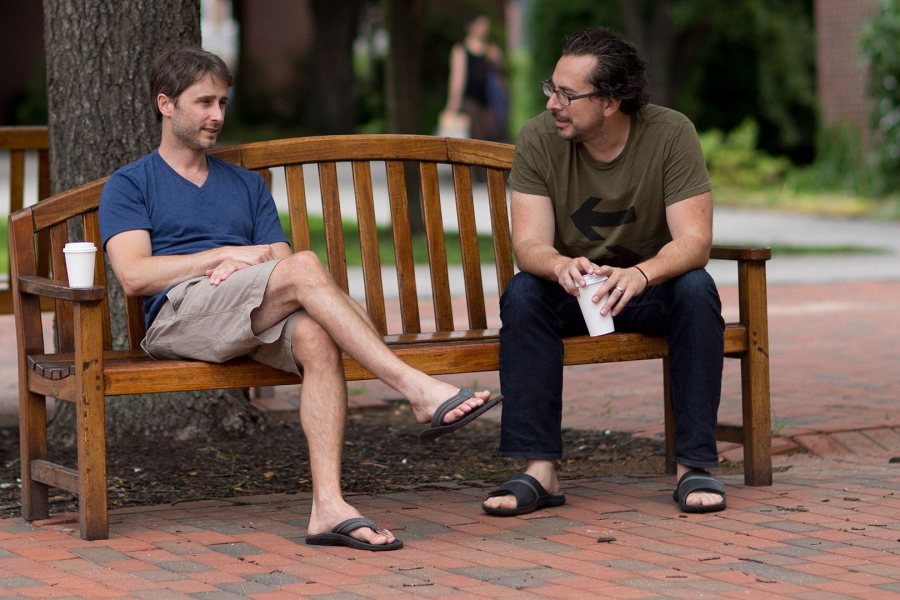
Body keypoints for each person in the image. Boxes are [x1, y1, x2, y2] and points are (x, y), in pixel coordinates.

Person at [99, 47, 501, 552]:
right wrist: (220, 256)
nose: (217, 116)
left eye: (223, 102)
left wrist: (249, 264)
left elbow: (282, 262)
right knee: (305, 269)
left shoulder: (244, 185)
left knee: (314, 335)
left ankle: (327, 508)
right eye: (204, 103)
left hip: (244, 311)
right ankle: (417, 390)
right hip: (180, 318)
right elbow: (134, 275)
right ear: (166, 104)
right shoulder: (132, 183)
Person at [481, 27, 727, 517]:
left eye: (569, 95)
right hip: (577, 291)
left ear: (611, 101)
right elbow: (528, 244)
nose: (554, 103)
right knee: (524, 293)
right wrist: (559, 265)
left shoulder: (670, 133)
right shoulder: (537, 138)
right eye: (552, 88)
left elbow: (694, 243)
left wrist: (640, 274)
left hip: (647, 290)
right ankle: (539, 470)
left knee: (697, 289)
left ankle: (694, 465)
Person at [442, 15, 506, 142]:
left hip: (489, 106)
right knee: (475, 141)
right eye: (481, 24)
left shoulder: (491, 51)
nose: (484, 28)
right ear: (470, 27)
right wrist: (452, 107)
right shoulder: (461, 50)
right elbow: (457, 80)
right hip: (470, 104)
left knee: (492, 141)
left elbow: (499, 79)